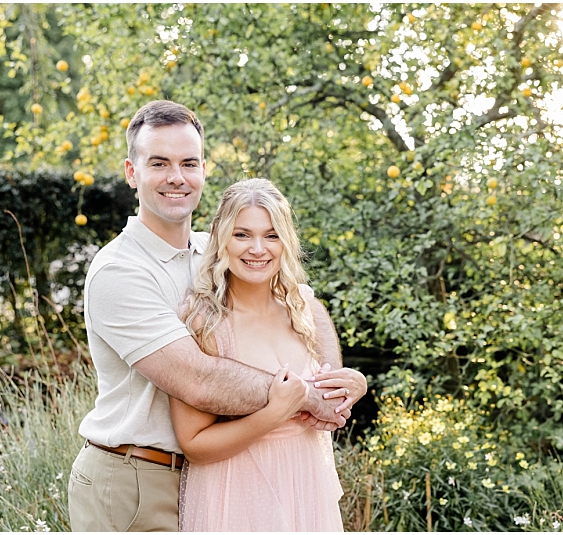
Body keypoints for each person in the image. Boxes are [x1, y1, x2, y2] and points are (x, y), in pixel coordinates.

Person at [68, 100, 367, 531]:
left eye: (188, 162)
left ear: (204, 170)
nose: (177, 177)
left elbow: (305, 301)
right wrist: (305, 397)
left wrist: (334, 379)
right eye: (159, 163)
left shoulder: (219, 248)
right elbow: (200, 381)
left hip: (217, 477)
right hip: (135, 479)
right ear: (132, 173)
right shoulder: (120, 271)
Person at [172, 178, 361, 531]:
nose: (257, 248)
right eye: (242, 234)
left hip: (307, 488)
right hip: (236, 495)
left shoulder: (301, 306)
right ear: (219, 236)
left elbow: (330, 402)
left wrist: (355, 384)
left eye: (271, 235)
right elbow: (195, 445)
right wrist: (275, 412)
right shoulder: (204, 322)